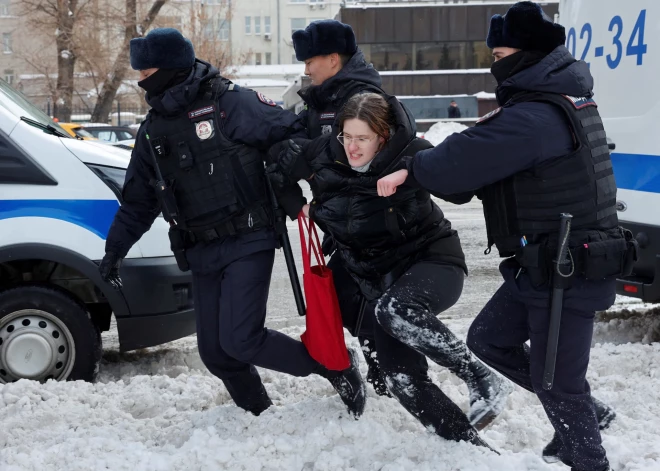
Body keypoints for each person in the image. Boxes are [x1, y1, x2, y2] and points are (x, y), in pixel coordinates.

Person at [376, 3, 631, 470]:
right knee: (490, 339)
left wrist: (410, 170)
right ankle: (582, 420)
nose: (496, 63)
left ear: (529, 53)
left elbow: (464, 158)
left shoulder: (537, 114)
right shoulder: (547, 100)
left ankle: (587, 454)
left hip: (567, 270)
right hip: (542, 267)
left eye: (502, 53)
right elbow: (481, 165)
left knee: (557, 380)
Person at [97, 27, 366, 419]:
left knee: (242, 339)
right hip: (200, 248)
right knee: (216, 352)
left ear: (170, 69)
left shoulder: (229, 103)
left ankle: (334, 367)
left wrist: (289, 179)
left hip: (249, 236)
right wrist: (114, 250)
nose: (141, 81)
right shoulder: (153, 129)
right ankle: (258, 414)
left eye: (147, 71)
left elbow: (289, 134)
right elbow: (139, 200)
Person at [267, 92, 512, 447]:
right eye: (346, 136)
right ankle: (468, 447)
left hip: (432, 260)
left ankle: (481, 379)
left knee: (397, 310)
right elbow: (277, 166)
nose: (352, 147)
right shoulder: (322, 153)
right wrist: (297, 206)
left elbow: (463, 189)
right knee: (402, 377)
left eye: (362, 139)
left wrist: (411, 172)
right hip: (374, 277)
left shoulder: (410, 151)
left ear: (383, 136)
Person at [291, 18, 394, 398]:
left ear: (333, 59)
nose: (305, 69)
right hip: (343, 224)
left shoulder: (363, 98)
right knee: (345, 300)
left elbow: (355, 158)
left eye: (310, 61)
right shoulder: (326, 100)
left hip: (371, 224)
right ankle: (384, 369)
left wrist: (306, 154)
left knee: (366, 303)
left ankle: (390, 373)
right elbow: (295, 141)